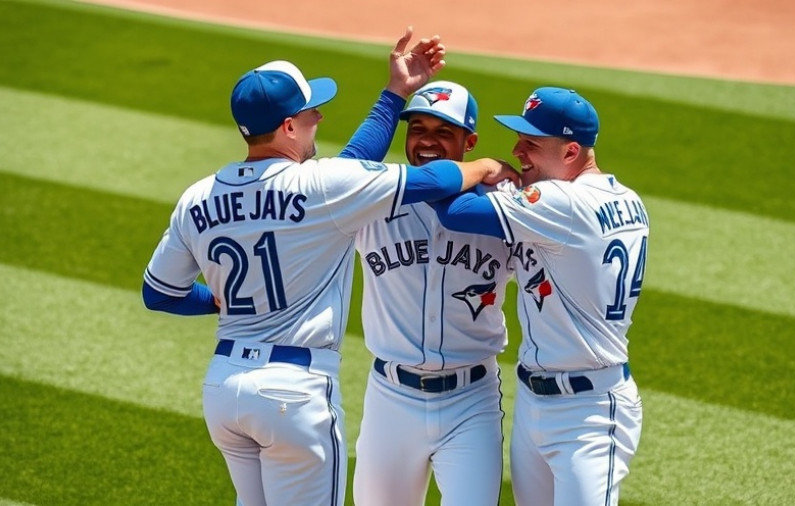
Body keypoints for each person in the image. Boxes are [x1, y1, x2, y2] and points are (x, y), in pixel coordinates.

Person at [141, 29, 517, 506]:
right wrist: (484, 167)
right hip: (293, 393)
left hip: (223, 387)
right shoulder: (321, 189)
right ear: (288, 126)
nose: (319, 116)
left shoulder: (198, 196)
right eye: (309, 112)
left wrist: (216, 299)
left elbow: (159, 294)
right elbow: (430, 179)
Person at [430, 87, 648, 505]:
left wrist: (485, 167)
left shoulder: (563, 203)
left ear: (570, 152)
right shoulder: (629, 200)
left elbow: (453, 213)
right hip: (538, 401)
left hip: (588, 413)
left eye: (531, 143)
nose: (516, 150)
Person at [349, 81, 514, 506]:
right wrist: (392, 93)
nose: (426, 141)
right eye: (417, 128)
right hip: (391, 399)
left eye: (443, 131)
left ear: (469, 140)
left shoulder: (503, 209)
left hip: (471, 401)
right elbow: (338, 173)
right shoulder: (376, 197)